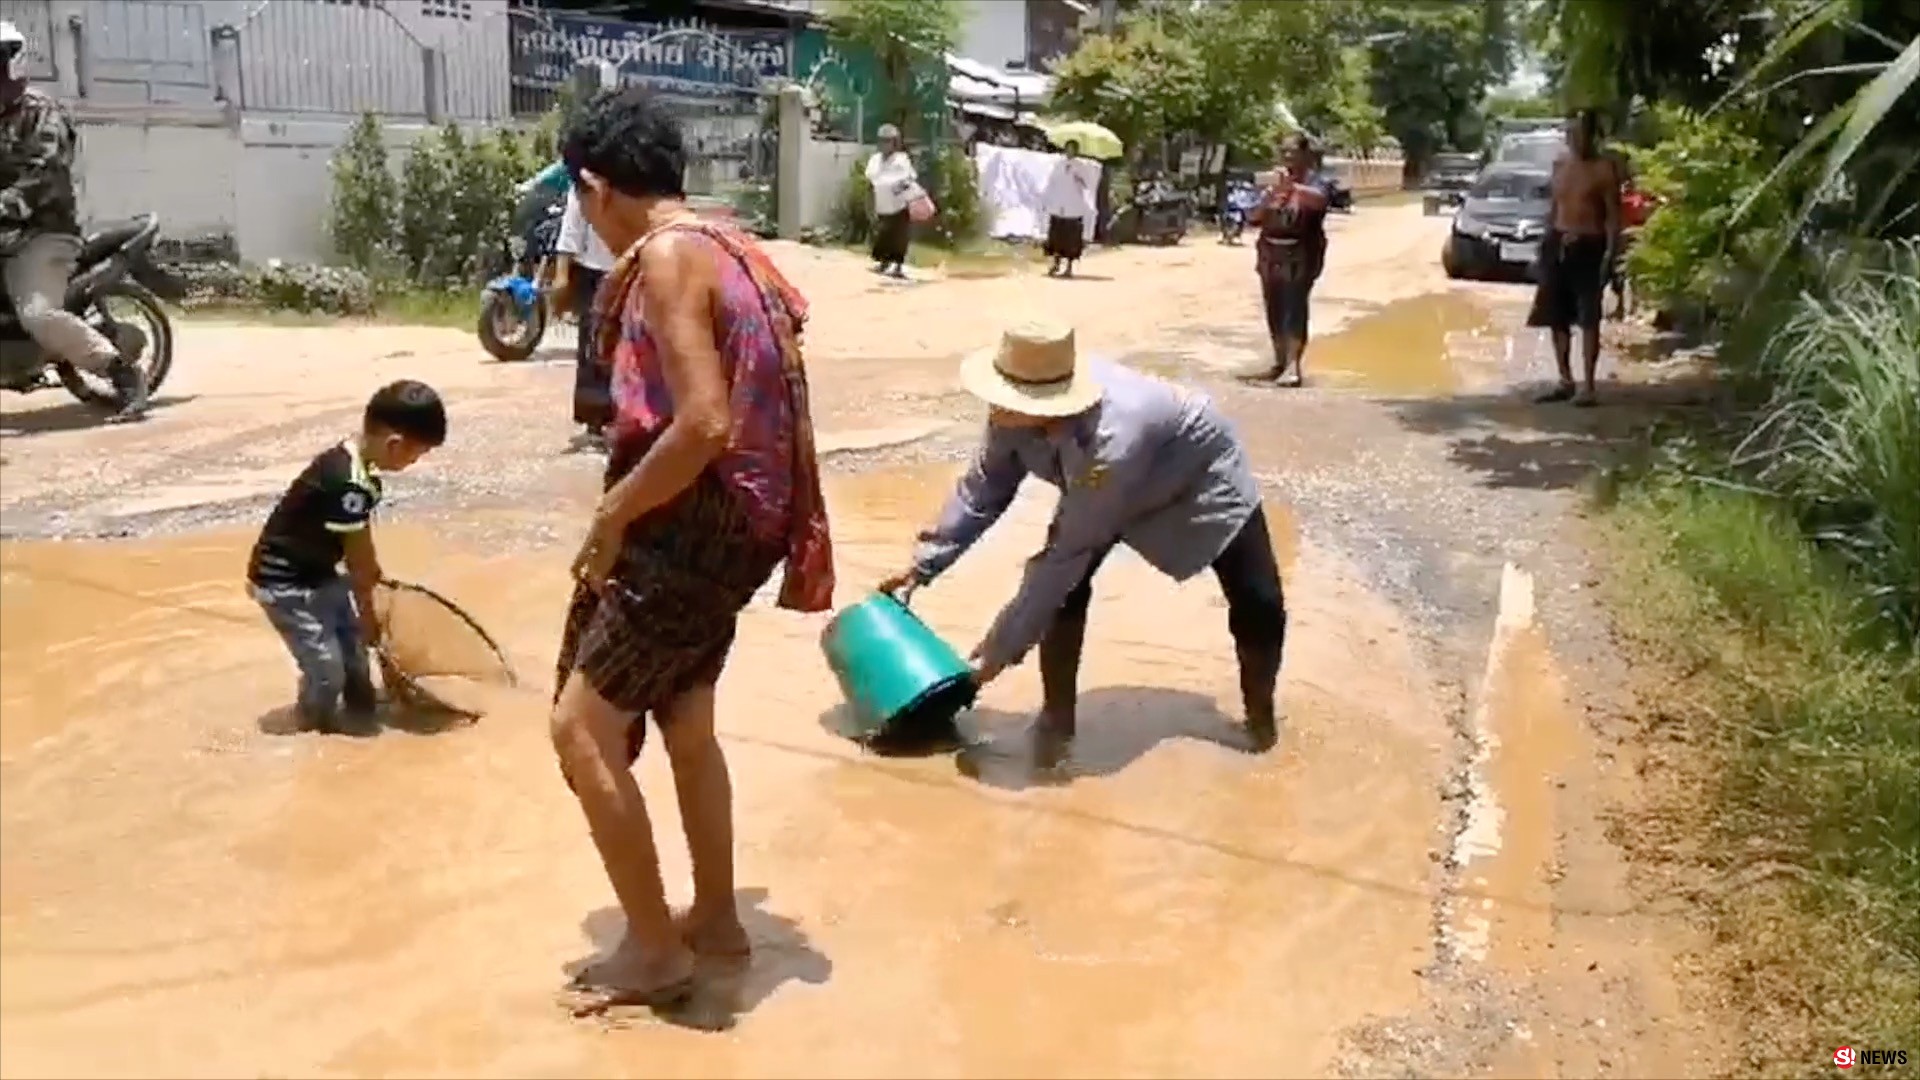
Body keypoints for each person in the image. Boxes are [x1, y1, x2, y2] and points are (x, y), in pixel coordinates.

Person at [550, 87, 835, 1005]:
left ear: (597, 188)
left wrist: (612, 517)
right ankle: (713, 917)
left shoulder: (669, 257)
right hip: (746, 526)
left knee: (579, 728)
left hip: (692, 523)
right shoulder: (729, 241)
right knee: (686, 724)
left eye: (582, 205)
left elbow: (703, 423)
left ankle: (655, 950)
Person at [878, 321, 1287, 771]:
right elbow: (982, 490)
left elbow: (1064, 556)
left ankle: (1259, 723)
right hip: (1099, 487)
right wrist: (924, 564)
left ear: (1045, 402)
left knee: (1259, 601)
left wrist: (1000, 650)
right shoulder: (1011, 413)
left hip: (1196, 473)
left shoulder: (1117, 433)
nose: (994, 408)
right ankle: (1055, 723)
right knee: (1066, 594)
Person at [247, 381, 447, 736]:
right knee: (327, 669)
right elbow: (357, 561)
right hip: (284, 583)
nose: (414, 462)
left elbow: (358, 542)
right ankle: (312, 725)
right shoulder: (348, 482)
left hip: (320, 571)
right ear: (394, 444)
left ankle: (361, 711)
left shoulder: (359, 465)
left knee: (354, 652)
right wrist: (368, 612)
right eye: (416, 455)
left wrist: (370, 575)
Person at [0, 20, 147, 421]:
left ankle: (121, 373)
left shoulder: (42, 113)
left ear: (13, 65)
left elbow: (45, 173)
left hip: (41, 235)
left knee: (37, 312)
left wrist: (4, 206)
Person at [1528, 109, 1622, 407]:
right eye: (1572, 134)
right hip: (1558, 243)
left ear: (1593, 137)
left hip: (1589, 245)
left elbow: (1613, 217)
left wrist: (1611, 253)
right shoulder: (1560, 165)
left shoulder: (1604, 170)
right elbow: (1554, 209)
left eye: (1583, 134)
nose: (1577, 140)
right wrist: (1545, 243)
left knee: (1589, 317)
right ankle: (1565, 380)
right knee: (1556, 316)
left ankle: (1589, 386)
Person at [1248, 133, 1333, 387]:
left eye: (1292, 151)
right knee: (1273, 307)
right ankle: (1279, 363)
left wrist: (1292, 188)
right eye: (1283, 151)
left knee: (1294, 307)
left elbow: (1320, 201)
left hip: (1301, 253)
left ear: (1306, 155)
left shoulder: (1315, 182)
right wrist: (1270, 196)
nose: (1287, 156)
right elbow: (1253, 217)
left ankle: (1293, 367)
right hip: (1270, 252)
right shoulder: (1272, 183)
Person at [555, 183, 617, 453]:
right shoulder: (584, 182)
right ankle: (595, 421)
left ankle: (623, 416)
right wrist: (562, 273)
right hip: (593, 272)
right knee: (593, 346)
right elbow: (571, 227)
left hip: (633, 265)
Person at [864, 124, 916, 278]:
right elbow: (870, 183)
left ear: (895, 143)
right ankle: (883, 262)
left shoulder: (901, 160)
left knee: (899, 237)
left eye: (888, 141)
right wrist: (869, 205)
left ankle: (898, 267)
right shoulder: (875, 160)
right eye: (882, 141)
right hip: (882, 205)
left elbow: (909, 179)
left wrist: (897, 188)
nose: (885, 144)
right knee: (882, 236)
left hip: (899, 206)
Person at [1042, 140, 1094, 277]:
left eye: (1073, 149)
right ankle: (1056, 264)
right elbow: (1052, 182)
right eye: (1068, 148)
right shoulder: (1059, 164)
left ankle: (1069, 267)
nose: (1069, 151)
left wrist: (1079, 178)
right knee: (1057, 237)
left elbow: (1088, 184)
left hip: (1073, 207)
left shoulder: (1081, 166)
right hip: (1059, 205)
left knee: (1070, 239)